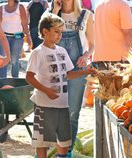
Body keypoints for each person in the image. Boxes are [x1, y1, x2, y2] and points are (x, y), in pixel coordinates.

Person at [26, 13, 96, 158]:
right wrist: (46, 91)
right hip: (44, 104)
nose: (60, 35)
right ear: (45, 32)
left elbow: (68, 74)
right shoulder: (37, 53)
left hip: (63, 104)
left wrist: (86, 71)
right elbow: (29, 77)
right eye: (56, 32)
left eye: (61, 32)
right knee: (43, 142)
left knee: (64, 141)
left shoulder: (62, 52)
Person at [92, 0, 132, 157]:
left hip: (100, 59)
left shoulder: (100, 6)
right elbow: (128, 33)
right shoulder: (122, 5)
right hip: (118, 60)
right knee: (122, 109)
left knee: (106, 106)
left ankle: (104, 150)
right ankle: (119, 152)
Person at [51, 0, 94, 156]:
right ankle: (54, 148)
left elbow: (92, 44)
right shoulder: (53, 14)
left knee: (73, 113)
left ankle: (66, 152)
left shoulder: (86, 15)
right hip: (55, 70)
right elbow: (43, 37)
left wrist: (86, 55)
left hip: (78, 69)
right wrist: (55, 11)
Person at [0, 0, 32, 78]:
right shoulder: (1, 8)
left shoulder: (20, 7)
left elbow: (24, 23)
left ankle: (15, 80)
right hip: (4, 37)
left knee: (14, 60)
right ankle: (2, 81)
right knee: (3, 59)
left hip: (17, 36)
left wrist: (28, 37)